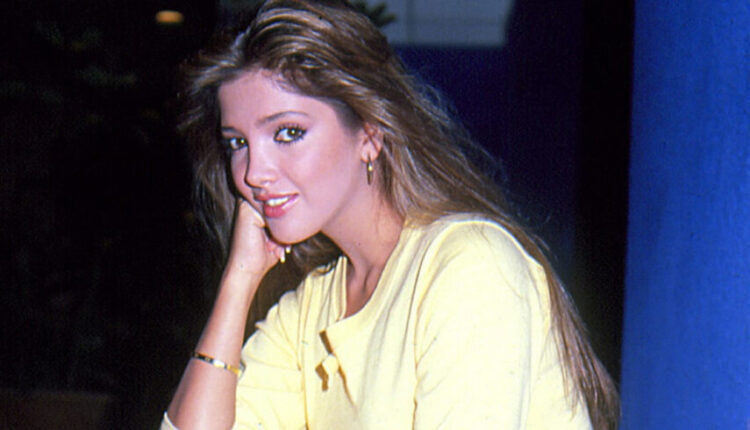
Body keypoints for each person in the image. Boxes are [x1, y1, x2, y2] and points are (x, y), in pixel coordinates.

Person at [162, 0, 620, 428]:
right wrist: (239, 280)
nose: (254, 172)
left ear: (369, 132)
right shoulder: (310, 310)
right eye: (237, 143)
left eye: (288, 132)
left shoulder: (469, 266)